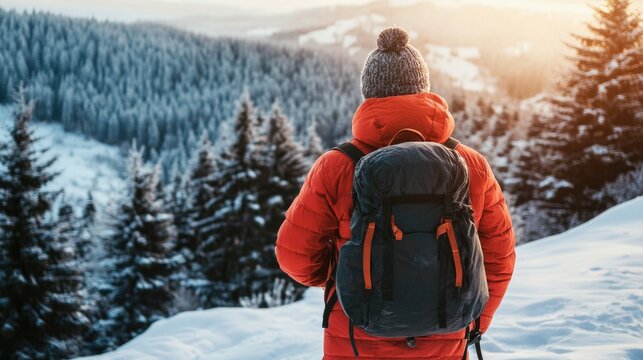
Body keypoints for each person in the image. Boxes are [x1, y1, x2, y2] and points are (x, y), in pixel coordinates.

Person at [276, 26, 515, 359]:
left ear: (369, 95)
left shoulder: (336, 166)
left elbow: (294, 256)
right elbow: (499, 259)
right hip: (446, 340)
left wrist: (345, 275)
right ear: (424, 90)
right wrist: (473, 322)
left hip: (355, 340)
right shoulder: (469, 164)